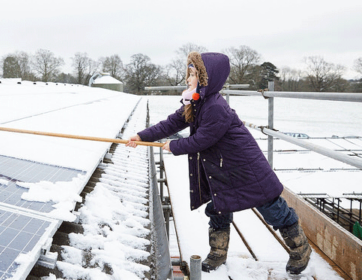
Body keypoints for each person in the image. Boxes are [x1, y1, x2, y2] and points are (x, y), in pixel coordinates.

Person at [126, 52, 311, 275]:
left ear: (206, 79)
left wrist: (174, 146)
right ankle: (218, 252)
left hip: (245, 167)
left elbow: (204, 139)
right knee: (218, 206)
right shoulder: (196, 102)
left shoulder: (215, 106)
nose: (188, 79)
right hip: (223, 167)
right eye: (189, 74)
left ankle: (300, 248)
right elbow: (172, 122)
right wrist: (142, 136)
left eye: (193, 74)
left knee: (271, 207)